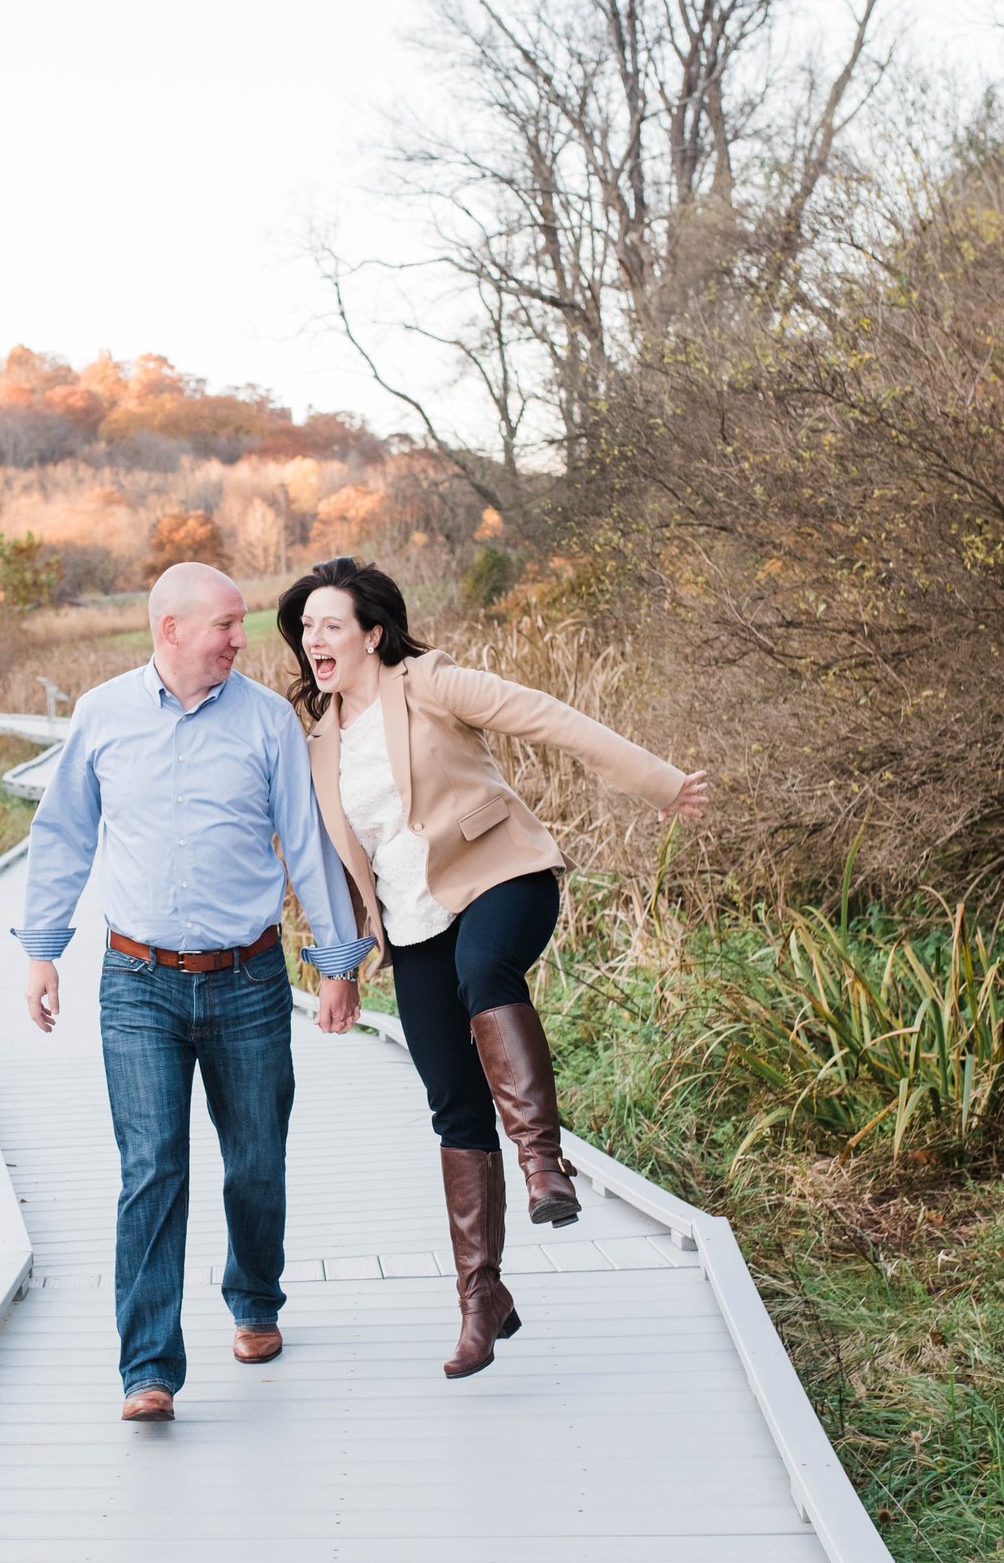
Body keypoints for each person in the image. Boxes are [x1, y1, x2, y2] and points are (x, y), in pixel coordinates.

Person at [279, 556, 710, 1380]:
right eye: (305, 629)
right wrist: (343, 964)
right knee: (452, 1104)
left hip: (502, 877)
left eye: (330, 624)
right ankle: (484, 1299)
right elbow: (326, 868)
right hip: (411, 928)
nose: (314, 640)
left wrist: (656, 783)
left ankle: (544, 1162)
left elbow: (546, 718)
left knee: (488, 973)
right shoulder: (319, 747)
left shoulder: (430, 683)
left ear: (373, 634)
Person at [16, 561, 374, 1423]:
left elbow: (308, 841)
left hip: (247, 978)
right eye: (224, 624)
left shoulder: (267, 721)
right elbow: (62, 832)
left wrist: (337, 962)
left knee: (255, 1157)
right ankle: (148, 1366)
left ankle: (254, 1298)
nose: (239, 638)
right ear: (169, 628)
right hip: (136, 982)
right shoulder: (102, 714)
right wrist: (41, 949)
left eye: (239, 624)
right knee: (152, 1168)